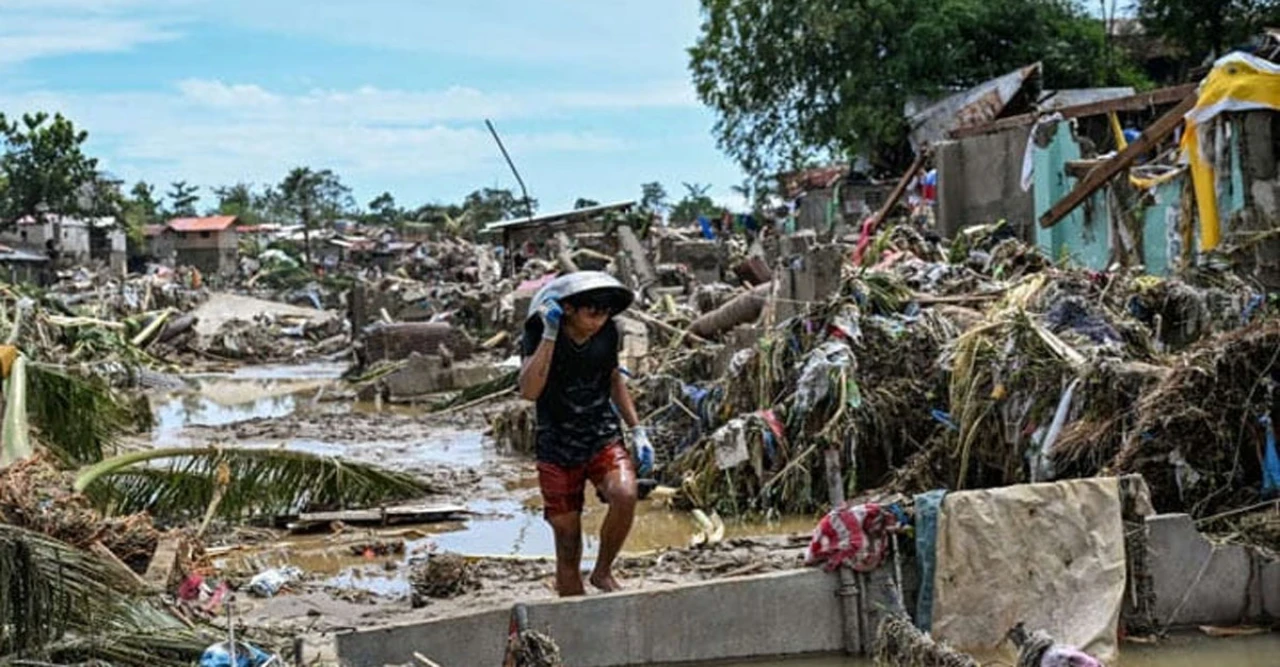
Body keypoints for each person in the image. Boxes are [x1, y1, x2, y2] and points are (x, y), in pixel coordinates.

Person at [518, 275, 653, 596]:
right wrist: (550, 335)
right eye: (592, 313)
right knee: (567, 541)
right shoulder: (538, 332)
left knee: (625, 494)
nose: (598, 321)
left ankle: (602, 572)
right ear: (568, 309)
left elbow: (613, 379)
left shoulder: (608, 332)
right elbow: (529, 391)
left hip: (600, 433)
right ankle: (572, 599)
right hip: (556, 442)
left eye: (604, 314)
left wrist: (637, 429)